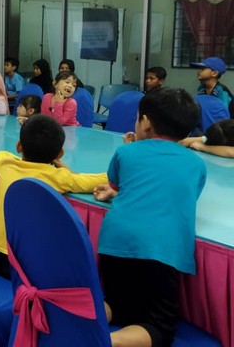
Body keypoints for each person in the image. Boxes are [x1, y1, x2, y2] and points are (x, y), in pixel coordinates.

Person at [93, 88, 204, 347]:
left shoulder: (126, 153)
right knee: (159, 326)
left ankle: (82, 325)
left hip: (115, 243)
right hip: (162, 249)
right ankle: (106, 341)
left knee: (117, 303)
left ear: (145, 122)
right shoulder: (196, 164)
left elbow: (118, 184)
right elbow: (180, 195)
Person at [0, 114, 108, 278]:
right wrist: (65, 170)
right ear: (60, 154)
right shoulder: (58, 177)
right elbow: (96, 180)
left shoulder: (6, 165)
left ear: (19, 146)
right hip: (25, 266)